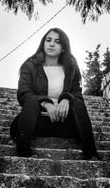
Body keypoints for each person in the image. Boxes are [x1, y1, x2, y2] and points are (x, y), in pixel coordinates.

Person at [10, 27, 101, 160]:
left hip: (64, 122)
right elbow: (24, 93)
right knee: (31, 102)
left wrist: (66, 99)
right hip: (36, 121)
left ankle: (91, 152)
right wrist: (46, 103)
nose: (52, 44)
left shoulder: (71, 68)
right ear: (43, 43)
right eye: (48, 40)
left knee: (79, 105)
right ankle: (23, 150)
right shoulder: (30, 66)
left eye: (57, 42)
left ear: (63, 47)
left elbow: (77, 94)